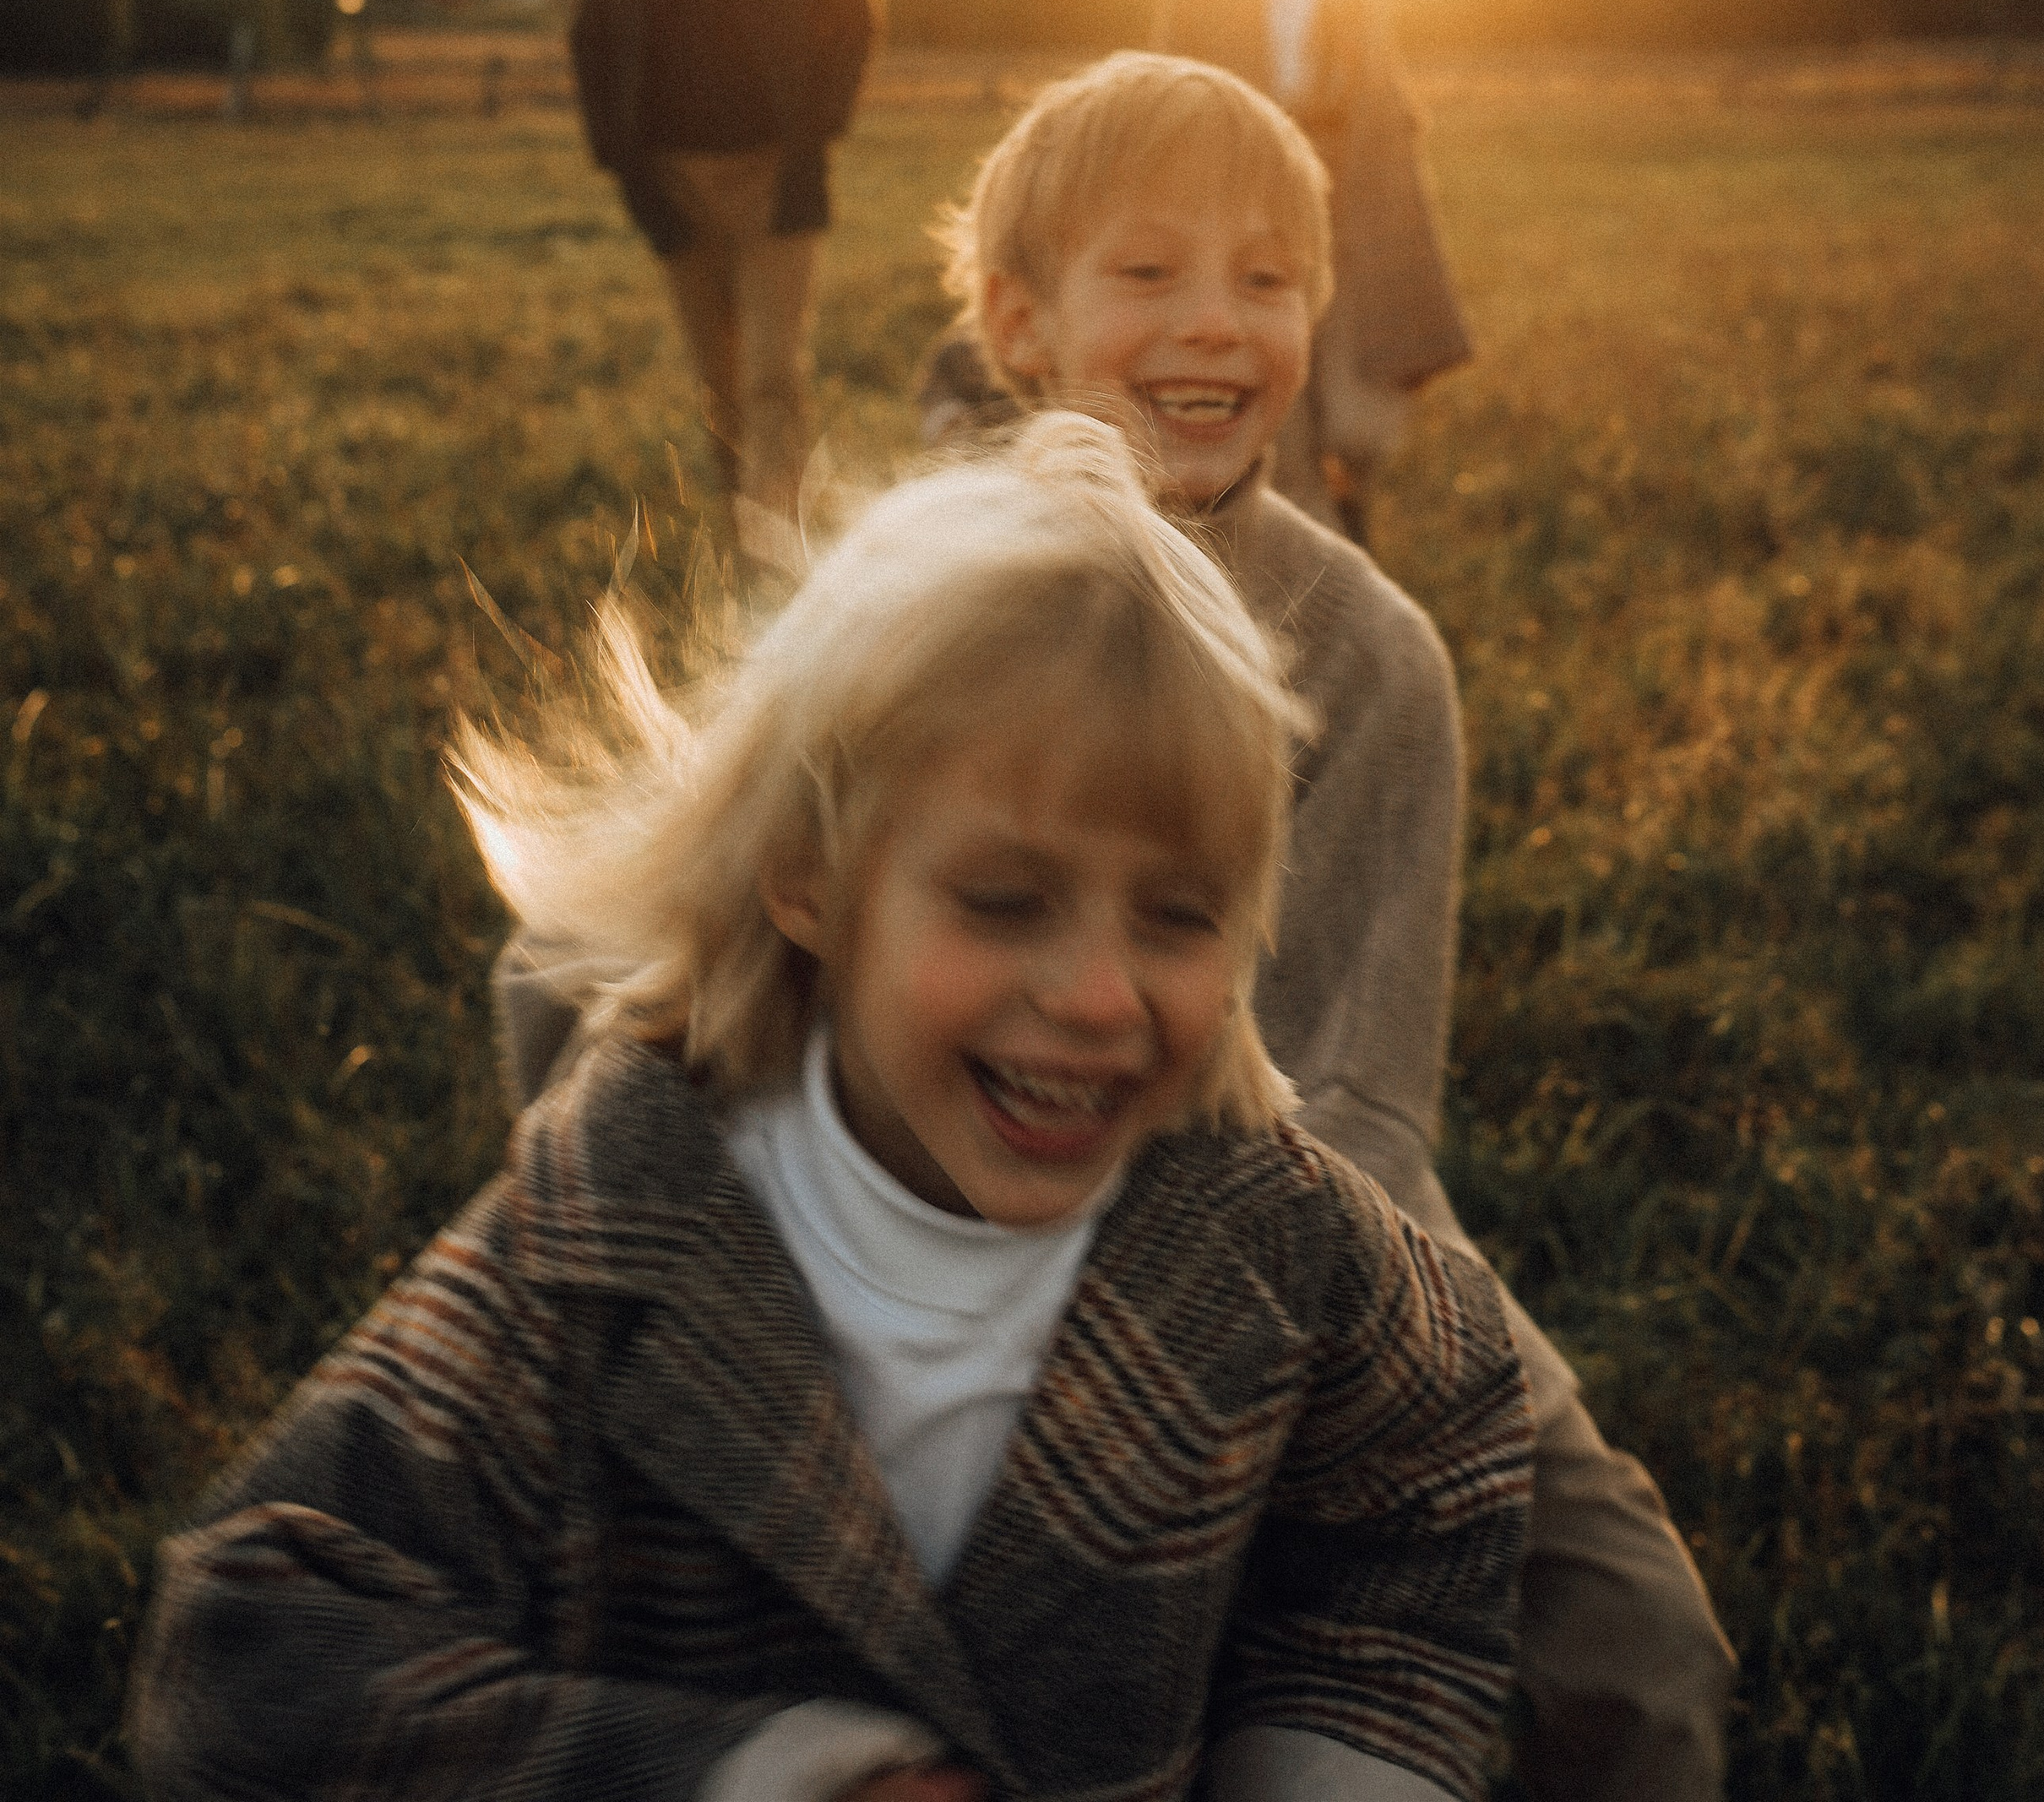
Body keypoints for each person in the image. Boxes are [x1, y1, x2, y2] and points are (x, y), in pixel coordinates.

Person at [129, 418, 1533, 1802]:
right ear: (809, 879)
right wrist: (743, 1775)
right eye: (1005, 901)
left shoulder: (1263, 1230)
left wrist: (1330, 1762)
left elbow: (1434, 1462)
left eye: (1179, 918)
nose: (1102, 995)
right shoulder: (607, 1254)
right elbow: (248, 1654)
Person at [928, 56, 1735, 1802]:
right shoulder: (906, 620)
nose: (1213, 326)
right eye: (1144, 274)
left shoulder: (1369, 656)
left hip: (1340, 1262)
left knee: (1636, 1648)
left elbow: (1365, 1112)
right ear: (1018, 323)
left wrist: (1213, 1364)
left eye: (1268, 279)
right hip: (967, 1255)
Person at [573, 0, 877, 522]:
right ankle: (744, 526)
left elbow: (852, 12)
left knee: (772, 371)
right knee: (718, 371)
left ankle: (778, 539)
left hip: (776, 166)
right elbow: (593, 40)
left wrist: (818, 135)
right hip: (670, 171)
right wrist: (626, 167)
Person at [1151, 0, 1470, 545]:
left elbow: (1380, 78)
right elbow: (1172, 80)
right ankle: (1287, 534)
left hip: (1349, 192)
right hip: (1245, 187)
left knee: (1356, 392)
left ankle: (1344, 519)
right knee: (1268, 374)